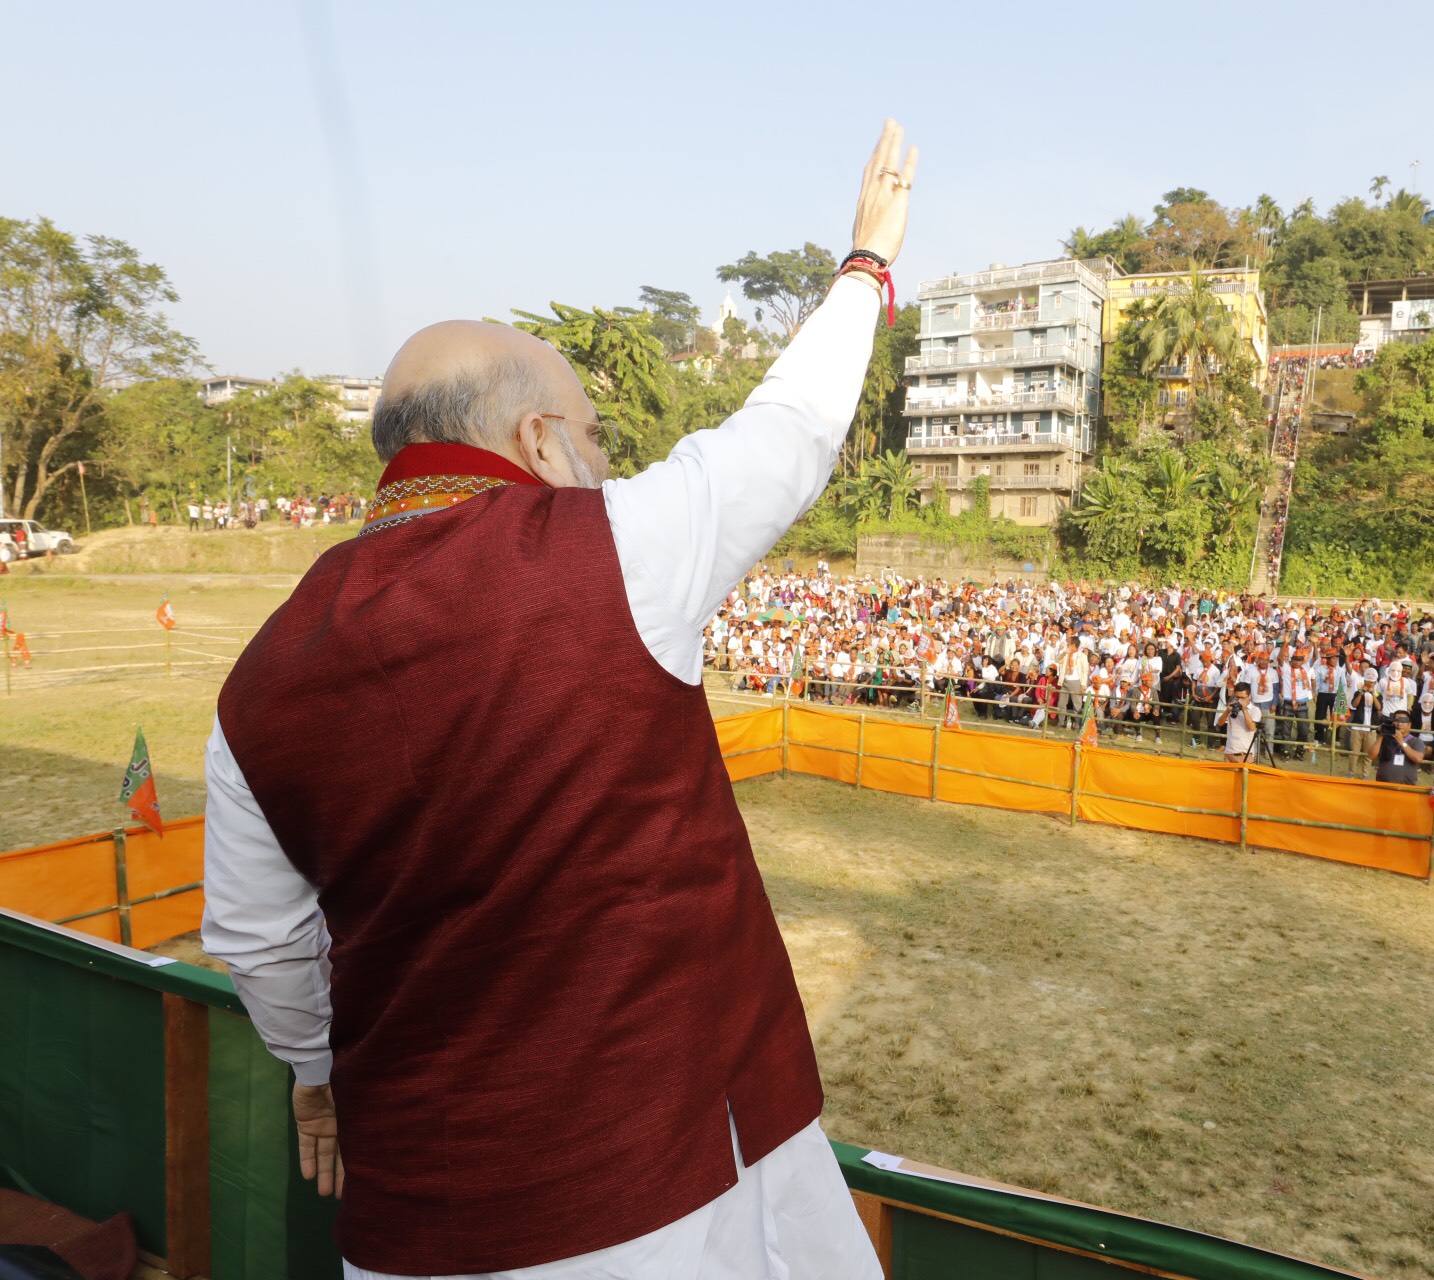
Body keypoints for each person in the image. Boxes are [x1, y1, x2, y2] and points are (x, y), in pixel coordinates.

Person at [200, 121, 916, 1280]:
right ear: (536, 437)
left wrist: (319, 1078)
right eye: (590, 435)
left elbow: (259, 943)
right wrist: (866, 265)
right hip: (667, 1185)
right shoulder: (613, 547)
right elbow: (786, 433)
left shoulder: (259, 678)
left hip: (414, 1227)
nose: (600, 459)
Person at [1368, 710, 1427, 785]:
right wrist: (1382, 735)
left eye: (1403, 721)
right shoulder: (1385, 739)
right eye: (1396, 720)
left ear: (1409, 725)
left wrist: (1402, 743)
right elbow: (1371, 755)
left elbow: (1418, 758)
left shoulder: (1416, 741)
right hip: (1383, 785)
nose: (1399, 724)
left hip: (1406, 787)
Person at [1215, 680, 1262, 763]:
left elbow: (1252, 727)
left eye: (1243, 698)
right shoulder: (1232, 706)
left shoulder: (1255, 710)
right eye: (1237, 697)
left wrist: (1244, 709)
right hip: (1229, 752)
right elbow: (1220, 723)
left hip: (1245, 753)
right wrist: (1227, 711)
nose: (1239, 700)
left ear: (1249, 696)